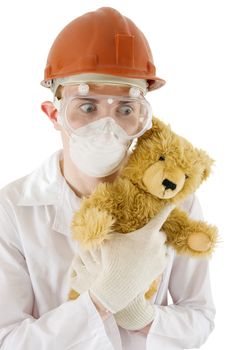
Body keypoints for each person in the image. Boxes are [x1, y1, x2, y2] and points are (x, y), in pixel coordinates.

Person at [0, 7, 215, 350]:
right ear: (54, 113)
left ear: (144, 119)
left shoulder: (177, 198)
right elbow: (9, 339)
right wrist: (100, 302)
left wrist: (142, 318)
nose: (107, 124)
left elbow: (200, 317)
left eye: (126, 109)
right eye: (87, 106)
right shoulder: (13, 208)